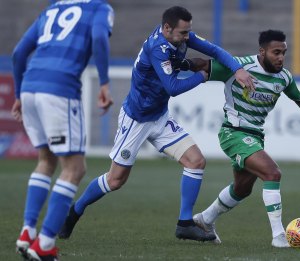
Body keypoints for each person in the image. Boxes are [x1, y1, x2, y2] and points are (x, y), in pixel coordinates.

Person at [58, 6, 255, 242]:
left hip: (159, 117)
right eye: (183, 33)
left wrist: (238, 69)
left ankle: (184, 224)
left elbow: (214, 50)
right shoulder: (157, 48)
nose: (187, 37)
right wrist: (202, 76)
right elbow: (173, 87)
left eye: (188, 32)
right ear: (166, 28)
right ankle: (74, 212)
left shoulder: (180, 37)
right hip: (137, 119)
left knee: (196, 161)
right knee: (115, 180)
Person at [177, 30, 300, 247]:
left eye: (284, 53)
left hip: (255, 136)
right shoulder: (239, 67)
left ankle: (205, 219)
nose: (280, 57)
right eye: (276, 52)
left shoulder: (284, 77)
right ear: (262, 51)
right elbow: (205, 64)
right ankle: (279, 236)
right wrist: (183, 64)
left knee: (241, 189)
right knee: (272, 172)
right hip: (234, 132)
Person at [12, 0, 114, 260]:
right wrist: (104, 82)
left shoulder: (50, 10)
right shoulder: (98, 8)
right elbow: (100, 38)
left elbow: (19, 53)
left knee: (46, 161)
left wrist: (18, 94)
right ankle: (45, 244)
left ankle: (27, 233)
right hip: (59, 90)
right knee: (75, 168)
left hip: (30, 87)